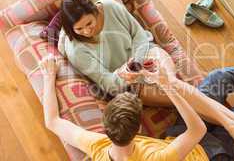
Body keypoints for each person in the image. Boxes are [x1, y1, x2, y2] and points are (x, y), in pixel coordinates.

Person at [57, 0, 234, 154]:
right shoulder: (78, 51)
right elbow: (109, 83)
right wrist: (127, 73)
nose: (88, 30)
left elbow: (139, 36)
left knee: (173, 83)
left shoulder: (108, 7)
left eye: (90, 22)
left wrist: (136, 63)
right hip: (130, 84)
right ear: (71, 29)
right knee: (178, 91)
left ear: (96, 11)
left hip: (147, 54)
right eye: (80, 28)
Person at [40, 54, 209, 160]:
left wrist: (49, 76)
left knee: (212, 87)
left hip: (173, 140)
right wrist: (165, 85)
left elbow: (52, 121)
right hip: (208, 153)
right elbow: (198, 130)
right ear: (139, 128)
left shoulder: (98, 148)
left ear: (106, 127)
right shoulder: (156, 158)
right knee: (218, 79)